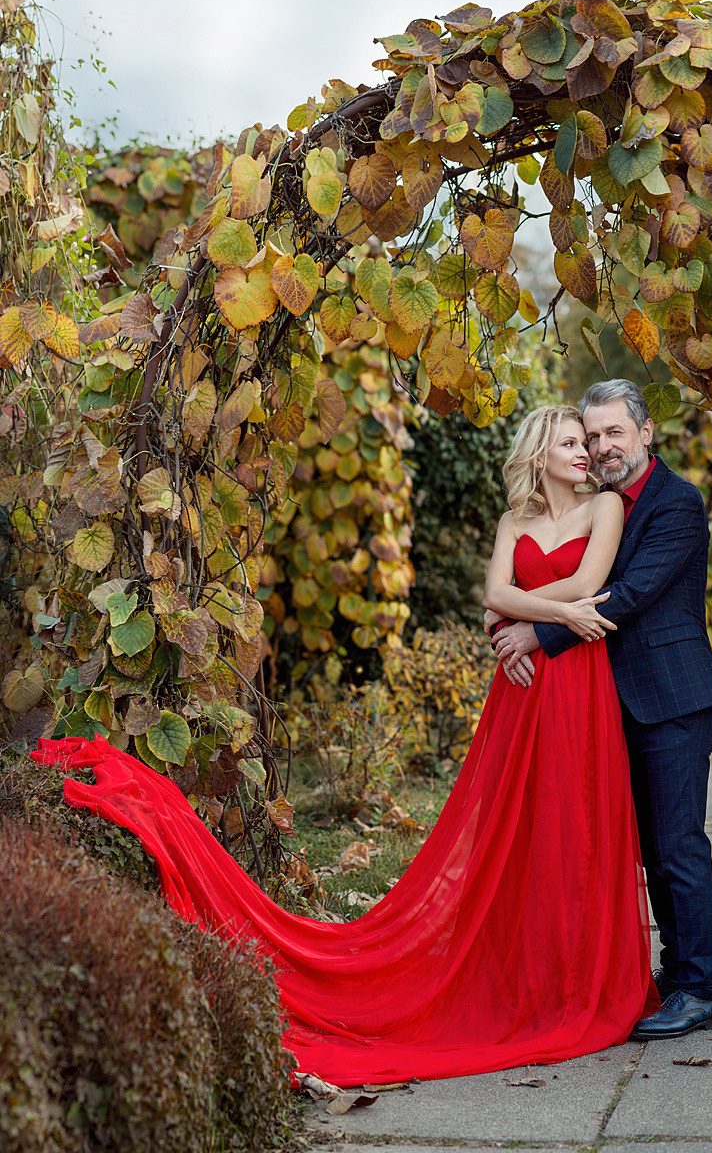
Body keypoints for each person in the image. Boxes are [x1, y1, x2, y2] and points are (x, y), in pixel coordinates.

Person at [30, 404, 654, 1087]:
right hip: (523, 687)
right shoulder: (514, 522)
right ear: (538, 452)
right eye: (568, 442)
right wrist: (548, 614)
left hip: (575, 680)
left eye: (583, 443)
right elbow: (493, 590)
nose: (583, 453)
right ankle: (521, 973)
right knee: (516, 828)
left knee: (575, 823)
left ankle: (574, 979)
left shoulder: (604, 510)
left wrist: (526, 618)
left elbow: (586, 587)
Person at [490, 380, 712, 1040]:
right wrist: (506, 627)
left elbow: (628, 594)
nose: (600, 447)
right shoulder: (599, 505)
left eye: (612, 433)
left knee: (677, 845)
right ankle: (662, 974)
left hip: (671, 697)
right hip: (605, 702)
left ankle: (698, 989)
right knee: (640, 848)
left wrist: (538, 634)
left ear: (645, 432)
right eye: (591, 437)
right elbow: (534, 580)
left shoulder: (677, 503)